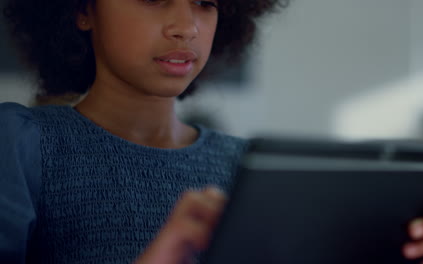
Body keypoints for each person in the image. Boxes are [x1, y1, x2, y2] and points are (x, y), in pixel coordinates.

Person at [0, 0, 287, 263]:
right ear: (84, 11)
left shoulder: (249, 168)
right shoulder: (21, 144)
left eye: (204, 3)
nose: (187, 28)